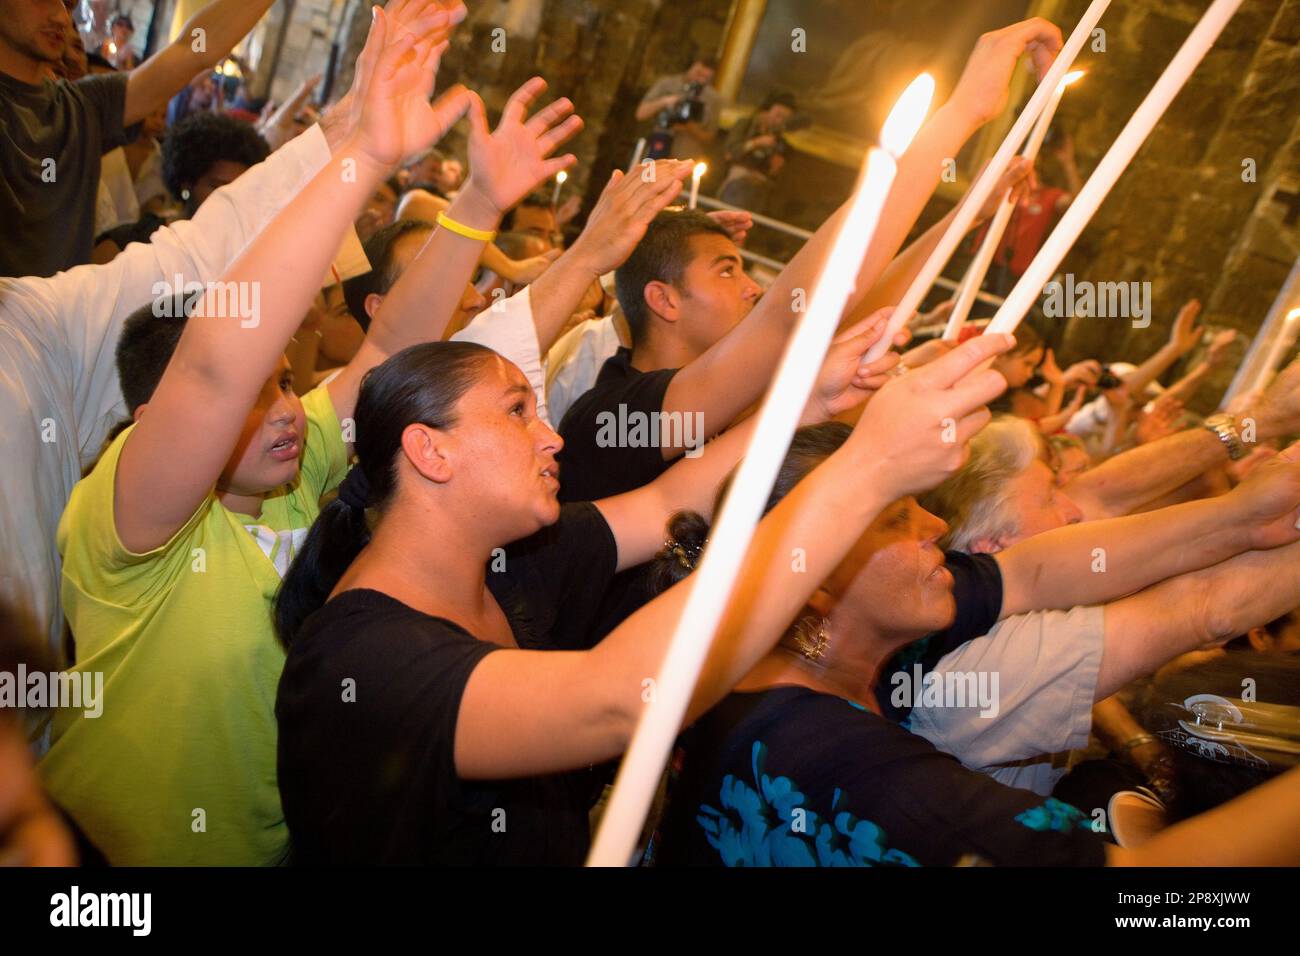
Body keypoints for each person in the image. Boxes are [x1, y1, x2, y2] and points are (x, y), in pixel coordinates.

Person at [41, 0, 565, 866]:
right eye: (259, 394)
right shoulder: (131, 528)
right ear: (151, 425)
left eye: (286, 383)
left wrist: (477, 202)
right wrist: (361, 154)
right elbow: (215, 365)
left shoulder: (300, 465)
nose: (287, 408)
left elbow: (391, 348)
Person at [271, 320, 1012, 863]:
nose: (552, 436)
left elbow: (666, 507)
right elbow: (624, 698)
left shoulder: (514, 564)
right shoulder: (358, 661)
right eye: (517, 410)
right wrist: (868, 471)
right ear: (430, 450)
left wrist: (806, 401)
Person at [649, 423, 1300, 867]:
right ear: (817, 580)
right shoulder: (845, 769)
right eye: (901, 520)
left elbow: (1032, 571)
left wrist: (1247, 512)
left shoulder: (822, 638)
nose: (938, 524)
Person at [0, 0, 278, 277]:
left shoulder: (84, 107)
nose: (61, 17)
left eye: (68, 5)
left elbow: (193, 50)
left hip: (62, 318)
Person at [93, 111, 271, 261]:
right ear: (187, 183)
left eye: (241, 189)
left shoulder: (244, 260)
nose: (230, 199)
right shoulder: (128, 247)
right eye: (217, 188)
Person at [635, 55, 724, 162]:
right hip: (657, 147)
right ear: (691, 66)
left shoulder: (713, 99)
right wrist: (665, 101)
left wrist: (689, 126)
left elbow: (710, 137)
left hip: (685, 155)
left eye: (705, 78)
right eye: (698, 73)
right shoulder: (667, 84)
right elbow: (640, 114)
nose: (699, 79)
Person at [719, 91, 796, 213]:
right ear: (766, 111)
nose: (779, 121)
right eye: (778, 115)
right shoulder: (745, 125)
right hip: (736, 182)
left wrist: (775, 168)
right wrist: (756, 143)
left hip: (759, 189)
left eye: (784, 119)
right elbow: (729, 153)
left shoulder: (779, 140)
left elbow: (775, 176)